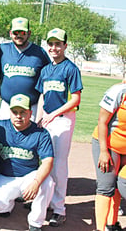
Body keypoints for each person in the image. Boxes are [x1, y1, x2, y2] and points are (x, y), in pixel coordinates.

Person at [0, 94, 55, 231]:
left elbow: (48, 162)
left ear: (30, 113)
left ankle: (36, 223)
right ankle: (9, 205)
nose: (18, 116)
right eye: (15, 112)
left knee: (47, 182)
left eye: (23, 112)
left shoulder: (40, 133)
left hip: (29, 176)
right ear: (10, 112)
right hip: (5, 176)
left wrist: (35, 183)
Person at [35, 28, 83, 227]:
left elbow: (76, 99)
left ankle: (59, 208)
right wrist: (39, 118)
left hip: (63, 119)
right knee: (43, 161)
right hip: (47, 118)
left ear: (65, 45)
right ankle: (44, 202)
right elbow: (42, 96)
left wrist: (53, 114)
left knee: (58, 164)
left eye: (58, 44)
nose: (54, 47)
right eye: (51, 44)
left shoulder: (71, 68)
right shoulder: (46, 69)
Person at [0, 17, 50, 121]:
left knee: (30, 136)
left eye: (22, 33)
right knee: (2, 135)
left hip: (31, 108)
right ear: (10, 33)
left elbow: (50, 74)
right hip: (6, 106)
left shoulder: (39, 53)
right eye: (16, 32)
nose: (19, 36)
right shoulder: (2, 49)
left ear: (29, 33)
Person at [92, 82, 126, 231]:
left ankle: (111, 225)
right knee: (106, 187)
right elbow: (102, 121)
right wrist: (103, 151)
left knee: (119, 187)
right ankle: (100, 228)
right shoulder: (119, 91)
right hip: (109, 145)